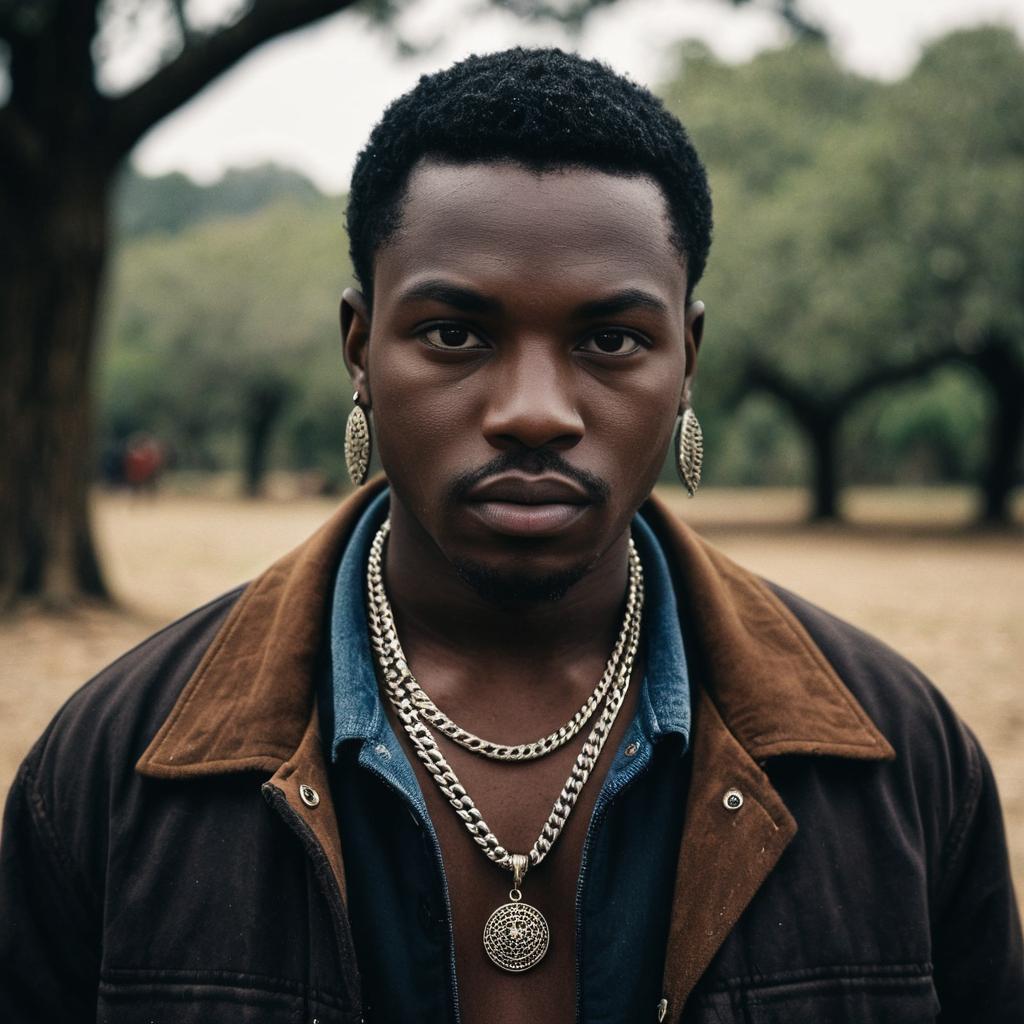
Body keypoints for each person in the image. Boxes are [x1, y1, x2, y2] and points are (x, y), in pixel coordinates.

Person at [1, 48, 1021, 1024]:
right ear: (359, 348)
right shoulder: (114, 767)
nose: (534, 411)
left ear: (687, 358)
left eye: (610, 339)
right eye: (455, 333)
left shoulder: (898, 762)